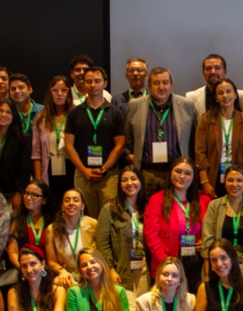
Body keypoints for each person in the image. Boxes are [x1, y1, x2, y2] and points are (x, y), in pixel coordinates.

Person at [65, 65, 126, 217]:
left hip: (109, 175)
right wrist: (84, 170)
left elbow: (120, 145)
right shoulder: (75, 112)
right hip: (82, 173)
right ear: (83, 84)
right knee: (85, 217)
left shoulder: (114, 112)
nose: (93, 85)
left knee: (109, 216)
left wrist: (104, 168)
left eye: (97, 81)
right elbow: (68, 145)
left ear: (105, 83)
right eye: (89, 81)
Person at [125, 66, 197, 196]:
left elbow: (194, 139)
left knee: (176, 211)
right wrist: (131, 155)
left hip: (178, 173)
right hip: (147, 172)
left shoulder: (187, 105)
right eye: (156, 83)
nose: (161, 87)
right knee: (148, 211)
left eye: (165, 82)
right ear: (149, 86)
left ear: (171, 85)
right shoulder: (135, 105)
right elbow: (128, 138)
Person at [144, 156, 211, 285]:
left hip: (197, 265)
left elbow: (212, 232)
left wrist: (206, 243)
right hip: (167, 266)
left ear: (194, 177)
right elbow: (151, 236)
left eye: (187, 173)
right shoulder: (157, 200)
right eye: (178, 171)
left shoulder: (204, 200)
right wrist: (168, 264)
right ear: (170, 174)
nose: (182, 176)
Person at [201, 165, 243, 290]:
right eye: (230, 180)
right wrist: (208, 274)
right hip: (219, 268)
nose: (234, 184)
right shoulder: (214, 206)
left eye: (239, 180)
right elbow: (207, 243)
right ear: (225, 182)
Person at [194, 78, 243, 198]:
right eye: (220, 93)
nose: (225, 95)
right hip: (213, 178)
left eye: (228, 91)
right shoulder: (206, 120)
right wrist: (204, 182)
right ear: (216, 98)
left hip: (238, 179)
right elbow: (200, 153)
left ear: (235, 95)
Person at [96, 165, 151, 294]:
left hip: (144, 269)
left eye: (133, 179)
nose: (129, 183)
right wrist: (110, 270)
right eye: (124, 180)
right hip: (121, 271)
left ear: (141, 182)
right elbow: (102, 244)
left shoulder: (149, 207)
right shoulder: (110, 209)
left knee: (142, 309)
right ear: (119, 184)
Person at [31, 76, 75, 207]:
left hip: (71, 169)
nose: (60, 94)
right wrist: (39, 180)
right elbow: (36, 153)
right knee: (52, 208)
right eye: (55, 90)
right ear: (50, 92)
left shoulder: (76, 116)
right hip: (49, 171)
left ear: (69, 92)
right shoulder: (41, 118)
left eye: (64, 90)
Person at [45, 187, 98, 287]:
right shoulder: (52, 229)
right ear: (62, 206)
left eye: (76, 200)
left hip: (89, 271)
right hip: (66, 274)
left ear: (82, 206)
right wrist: (62, 272)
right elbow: (51, 262)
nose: (71, 203)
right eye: (67, 200)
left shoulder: (93, 225)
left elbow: (100, 256)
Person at [185, 53, 243, 117]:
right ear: (203, 72)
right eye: (208, 68)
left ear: (225, 71)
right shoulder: (191, 98)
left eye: (217, 68)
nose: (213, 72)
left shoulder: (242, 97)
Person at [7, 180, 49, 270]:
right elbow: (12, 251)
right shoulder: (16, 218)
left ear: (44, 200)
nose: (28, 198)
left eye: (34, 195)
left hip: (46, 269)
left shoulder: (51, 221)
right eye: (26, 193)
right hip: (23, 268)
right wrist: (23, 269)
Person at [7, 73, 42, 138]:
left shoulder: (43, 111)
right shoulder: (7, 113)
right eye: (13, 89)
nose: (17, 91)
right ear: (9, 94)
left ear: (30, 89)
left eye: (21, 87)